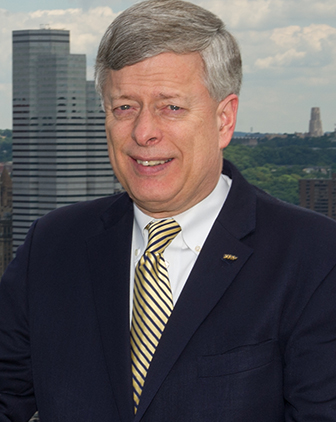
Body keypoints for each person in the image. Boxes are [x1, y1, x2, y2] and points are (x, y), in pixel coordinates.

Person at [1, 0, 336, 421]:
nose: (143, 132)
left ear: (224, 119)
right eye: (124, 107)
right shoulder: (51, 245)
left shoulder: (315, 256)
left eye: (171, 107)